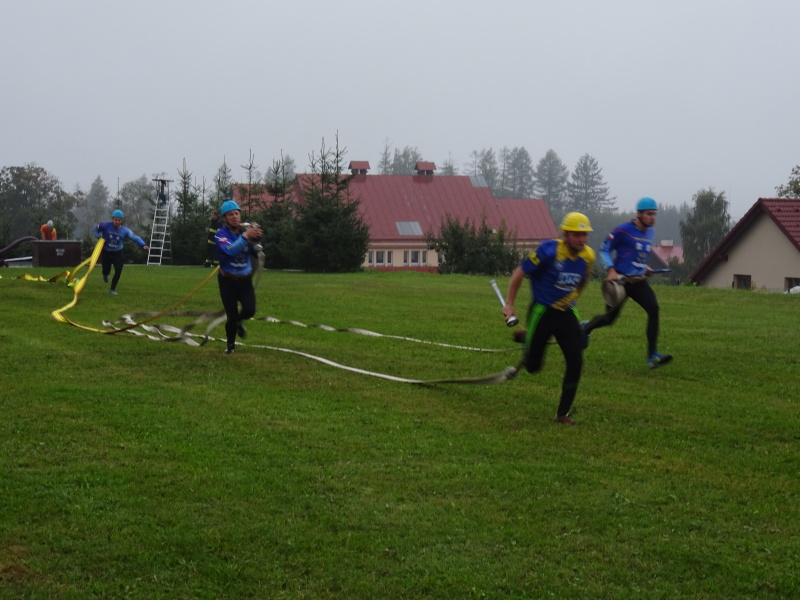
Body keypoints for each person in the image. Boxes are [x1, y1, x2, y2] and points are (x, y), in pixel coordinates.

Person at [502, 212, 596, 425]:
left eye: (584, 235)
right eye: (577, 235)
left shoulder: (588, 256)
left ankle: (562, 414)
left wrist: (573, 297)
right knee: (533, 367)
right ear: (565, 234)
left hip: (566, 312)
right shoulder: (548, 250)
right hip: (542, 311)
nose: (582, 240)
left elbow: (584, 278)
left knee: (576, 361)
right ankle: (528, 339)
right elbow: (520, 273)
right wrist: (509, 304)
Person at [582, 197, 673, 369]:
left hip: (639, 283)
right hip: (620, 283)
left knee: (653, 309)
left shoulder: (650, 232)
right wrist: (611, 269)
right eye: (649, 214)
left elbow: (638, 255)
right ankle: (585, 328)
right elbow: (604, 249)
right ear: (639, 214)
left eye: (654, 214)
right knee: (609, 319)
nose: (652, 218)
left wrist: (644, 267)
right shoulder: (623, 231)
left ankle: (652, 356)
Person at [215, 200, 263, 355]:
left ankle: (239, 322)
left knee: (249, 310)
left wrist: (256, 239)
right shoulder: (220, 234)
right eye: (230, 214)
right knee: (232, 316)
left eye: (237, 213)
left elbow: (255, 251)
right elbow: (230, 250)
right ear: (224, 218)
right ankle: (230, 346)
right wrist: (245, 236)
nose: (235, 217)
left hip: (244, 279)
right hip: (227, 281)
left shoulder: (246, 230)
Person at [93, 210, 149, 295]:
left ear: (121, 220)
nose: (117, 222)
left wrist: (143, 244)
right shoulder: (105, 226)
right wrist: (98, 237)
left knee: (118, 270)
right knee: (106, 269)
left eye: (119, 220)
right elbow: (95, 229)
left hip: (117, 253)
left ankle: (112, 289)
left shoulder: (125, 230)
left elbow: (135, 237)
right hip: (106, 252)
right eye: (115, 220)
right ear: (112, 219)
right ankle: (105, 274)